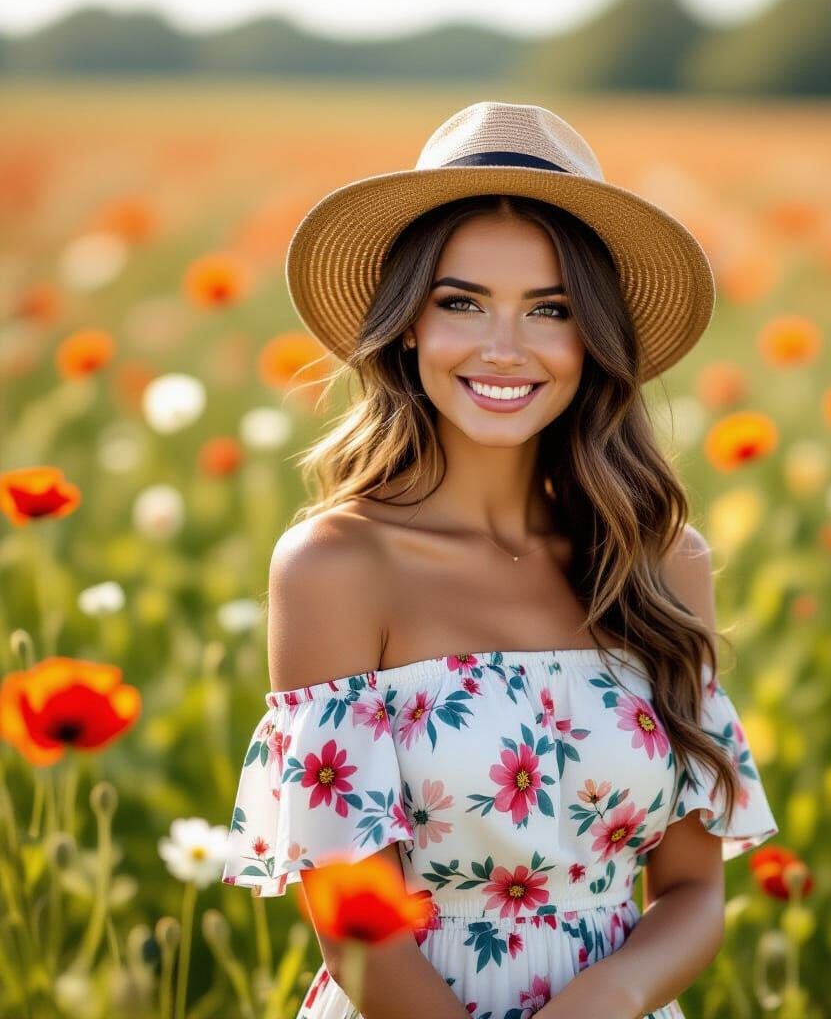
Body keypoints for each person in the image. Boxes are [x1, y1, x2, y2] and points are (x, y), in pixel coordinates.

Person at [221, 101, 779, 1019]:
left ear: (592, 337)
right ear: (407, 324)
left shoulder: (662, 562)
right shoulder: (334, 566)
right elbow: (354, 921)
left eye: (550, 309)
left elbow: (692, 892)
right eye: (461, 302)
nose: (503, 348)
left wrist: (609, 998)